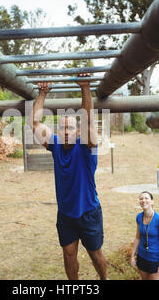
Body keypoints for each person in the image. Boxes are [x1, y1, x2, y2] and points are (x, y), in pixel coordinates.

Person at [31, 73, 107, 280]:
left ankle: (104, 279)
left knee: (95, 254)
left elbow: (89, 120)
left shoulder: (86, 147)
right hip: (66, 215)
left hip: (89, 212)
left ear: (78, 131)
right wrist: (43, 93)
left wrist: (85, 87)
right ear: (58, 129)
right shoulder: (55, 145)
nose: (66, 131)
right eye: (63, 127)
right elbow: (36, 124)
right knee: (69, 254)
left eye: (71, 127)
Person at [130, 191, 159, 280]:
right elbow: (137, 238)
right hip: (142, 257)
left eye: (146, 198)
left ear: (152, 201)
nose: (143, 200)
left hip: (155, 260)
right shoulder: (139, 217)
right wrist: (132, 256)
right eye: (141, 198)